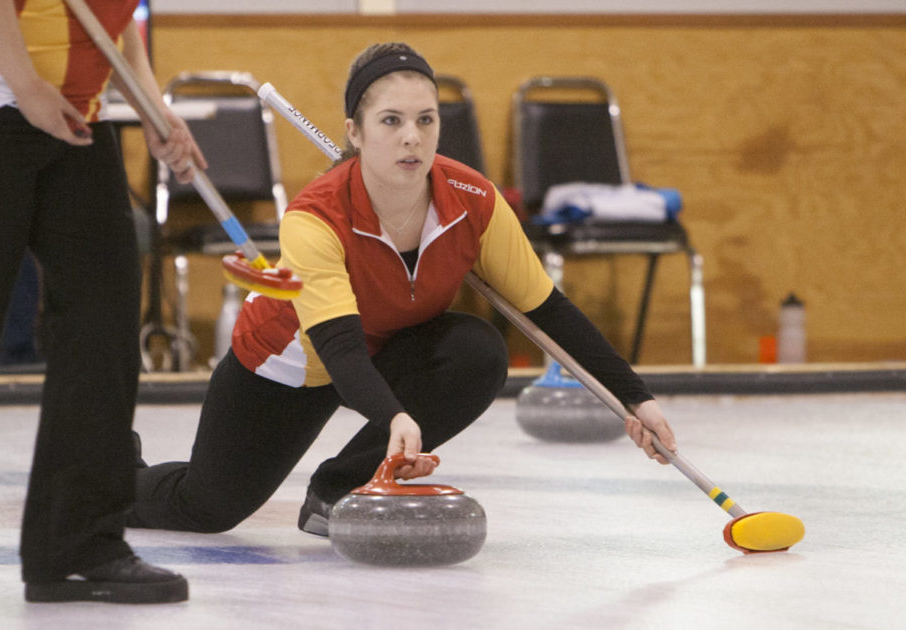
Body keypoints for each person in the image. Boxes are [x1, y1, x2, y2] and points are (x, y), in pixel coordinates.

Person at [127, 42, 677, 538]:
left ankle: (339, 490)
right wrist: (395, 419)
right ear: (355, 132)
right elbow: (339, 348)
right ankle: (110, 475)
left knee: (476, 350)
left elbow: (549, 312)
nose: (412, 137)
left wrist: (637, 397)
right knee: (206, 508)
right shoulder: (314, 218)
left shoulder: (474, 201)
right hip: (294, 363)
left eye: (425, 119)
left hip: (388, 349)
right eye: (390, 121)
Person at [0, 0, 206, 604]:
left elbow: (110, 20)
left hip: (72, 117)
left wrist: (151, 106)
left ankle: (80, 546)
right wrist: (26, 84)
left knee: (105, 318)